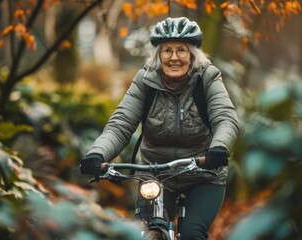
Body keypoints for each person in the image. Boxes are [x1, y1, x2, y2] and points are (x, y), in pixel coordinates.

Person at [80, 17, 240, 239]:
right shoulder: (145, 80)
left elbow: (225, 118)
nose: (174, 57)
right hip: (155, 174)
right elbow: (121, 124)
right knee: (149, 233)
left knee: (193, 234)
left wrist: (219, 148)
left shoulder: (208, 78)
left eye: (182, 50)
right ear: (158, 55)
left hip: (203, 174)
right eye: (167, 51)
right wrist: (98, 153)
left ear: (192, 55)